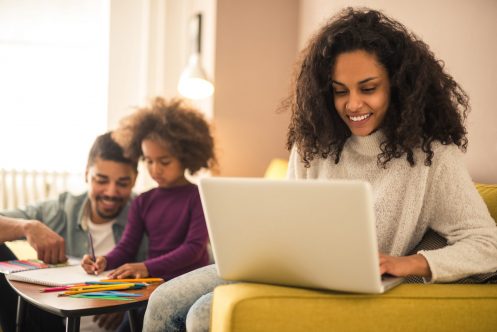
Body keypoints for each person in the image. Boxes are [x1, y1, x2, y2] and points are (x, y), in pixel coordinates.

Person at [141, 7, 497, 332]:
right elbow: (291, 219)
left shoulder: (432, 156)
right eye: (340, 91)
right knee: (162, 301)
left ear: (398, 85)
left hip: (348, 288)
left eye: (368, 88)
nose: (353, 104)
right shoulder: (315, 143)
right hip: (287, 271)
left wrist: (410, 263)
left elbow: (487, 245)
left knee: (204, 314)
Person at [81, 97, 217, 331]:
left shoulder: (198, 196)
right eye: (149, 161)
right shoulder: (143, 201)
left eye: (164, 161)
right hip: (151, 285)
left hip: (186, 286)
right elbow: (126, 247)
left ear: (185, 156)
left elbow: (194, 248)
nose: (155, 170)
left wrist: (145, 267)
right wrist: (105, 260)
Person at [0, 132, 147, 332]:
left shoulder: (147, 213)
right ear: (87, 173)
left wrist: (130, 298)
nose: (111, 192)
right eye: (101, 180)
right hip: (53, 323)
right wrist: (26, 226)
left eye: (122, 183)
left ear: (135, 179)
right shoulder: (61, 210)